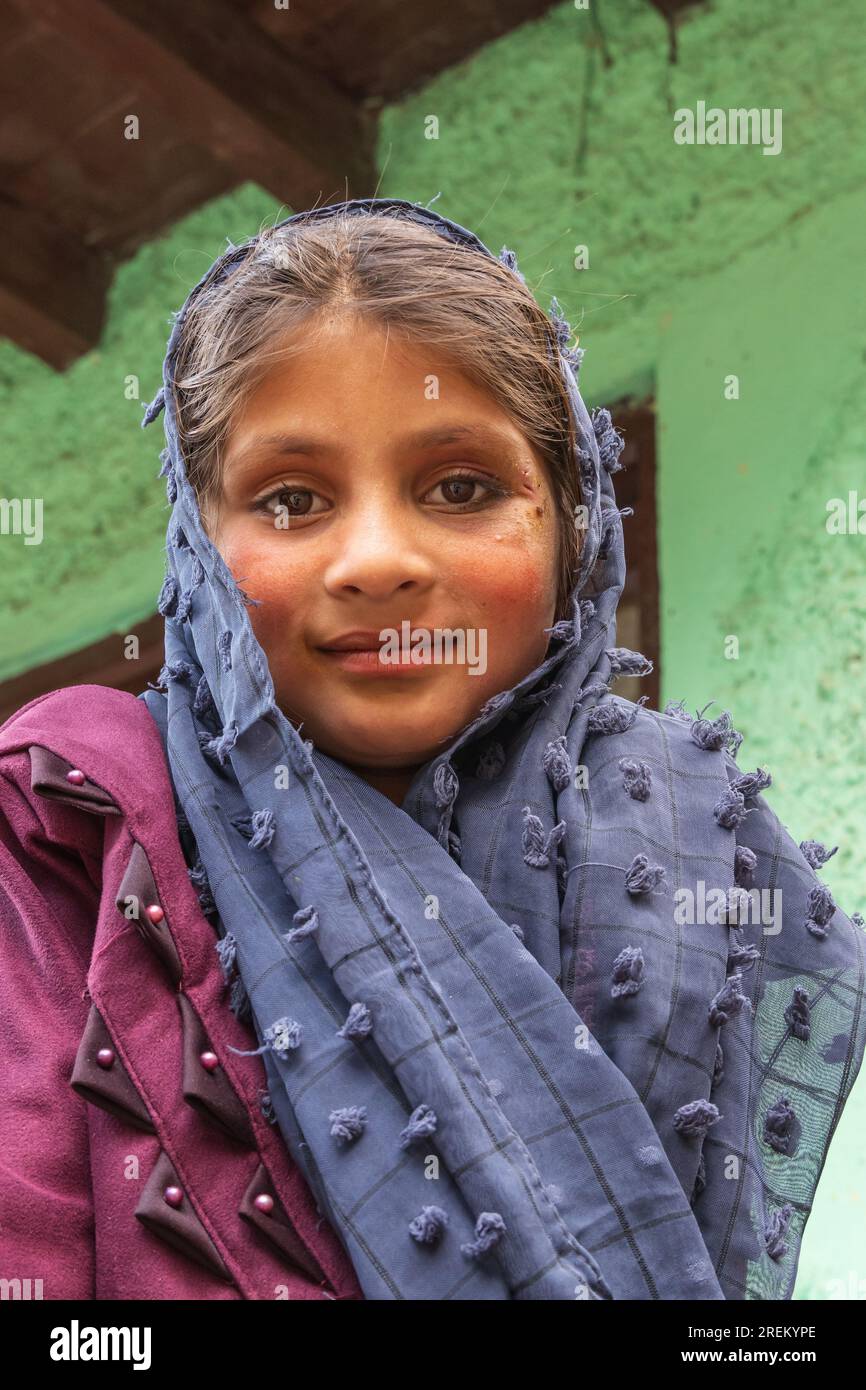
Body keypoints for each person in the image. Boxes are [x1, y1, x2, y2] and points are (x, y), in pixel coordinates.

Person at [0, 197, 863, 1302]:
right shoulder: (71, 825)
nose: (375, 559)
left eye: (460, 487)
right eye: (292, 497)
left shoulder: (699, 847)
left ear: (571, 521)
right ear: (198, 550)